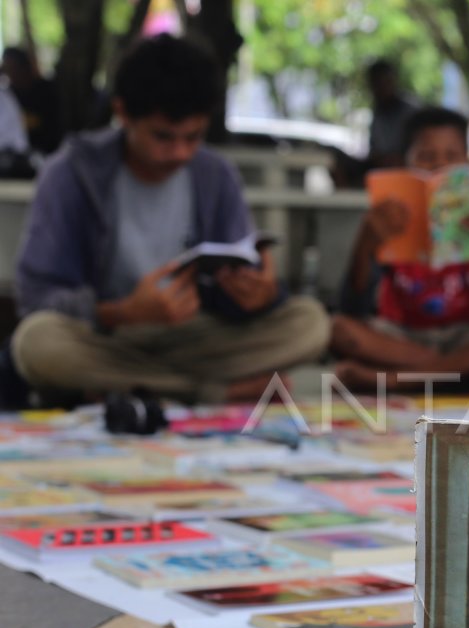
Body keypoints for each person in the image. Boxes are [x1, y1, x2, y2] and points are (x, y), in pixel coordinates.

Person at [10, 34, 329, 404]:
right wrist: (121, 312)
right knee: (37, 343)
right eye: (163, 137)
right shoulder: (72, 173)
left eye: (193, 137)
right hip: (107, 338)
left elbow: (238, 285)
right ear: (124, 113)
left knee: (310, 323)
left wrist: (261, 295)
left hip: (196, 338)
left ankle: (131, 390)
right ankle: (208, 392)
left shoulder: (215, 175)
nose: (179, 152)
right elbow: (36, 296)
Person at [332, 106, 469, 390]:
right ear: (405, 163)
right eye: (426, 157)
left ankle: (401, 380)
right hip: (406, 338)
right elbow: (353, 308)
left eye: (452, 156)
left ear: (468, 162)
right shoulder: (387, 216)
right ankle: (460, 375)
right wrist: (366, 241)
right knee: (340, 329)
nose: (440, 165)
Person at [1, 47, 61, 157]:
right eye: (7, 69)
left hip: (46, 152)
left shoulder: (45, 91)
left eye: (13, 68)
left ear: (24, 67)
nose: (11, 74)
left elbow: (53, 129)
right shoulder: (8, 95)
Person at [366, 60, 419, 171]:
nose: (382, 89)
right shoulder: (378, 113)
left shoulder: (410, 111)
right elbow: (374, 150)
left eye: (386, 83)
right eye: (377, 84)